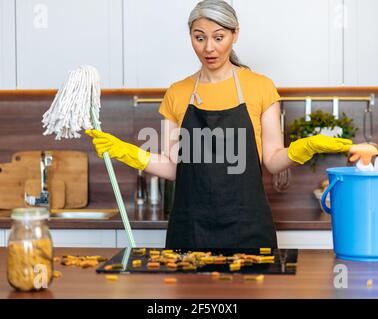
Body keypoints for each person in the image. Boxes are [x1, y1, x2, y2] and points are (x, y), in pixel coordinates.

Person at [85, 0, 353, 249]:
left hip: (248, 227)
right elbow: (173, 165)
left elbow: (271, 160)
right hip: (190, 228)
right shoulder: (177, 93)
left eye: (218, 37)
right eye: (199, 38)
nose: (208, 48)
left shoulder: (260, 87)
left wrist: (307, 147)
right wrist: (124, 151)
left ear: (235, 34)